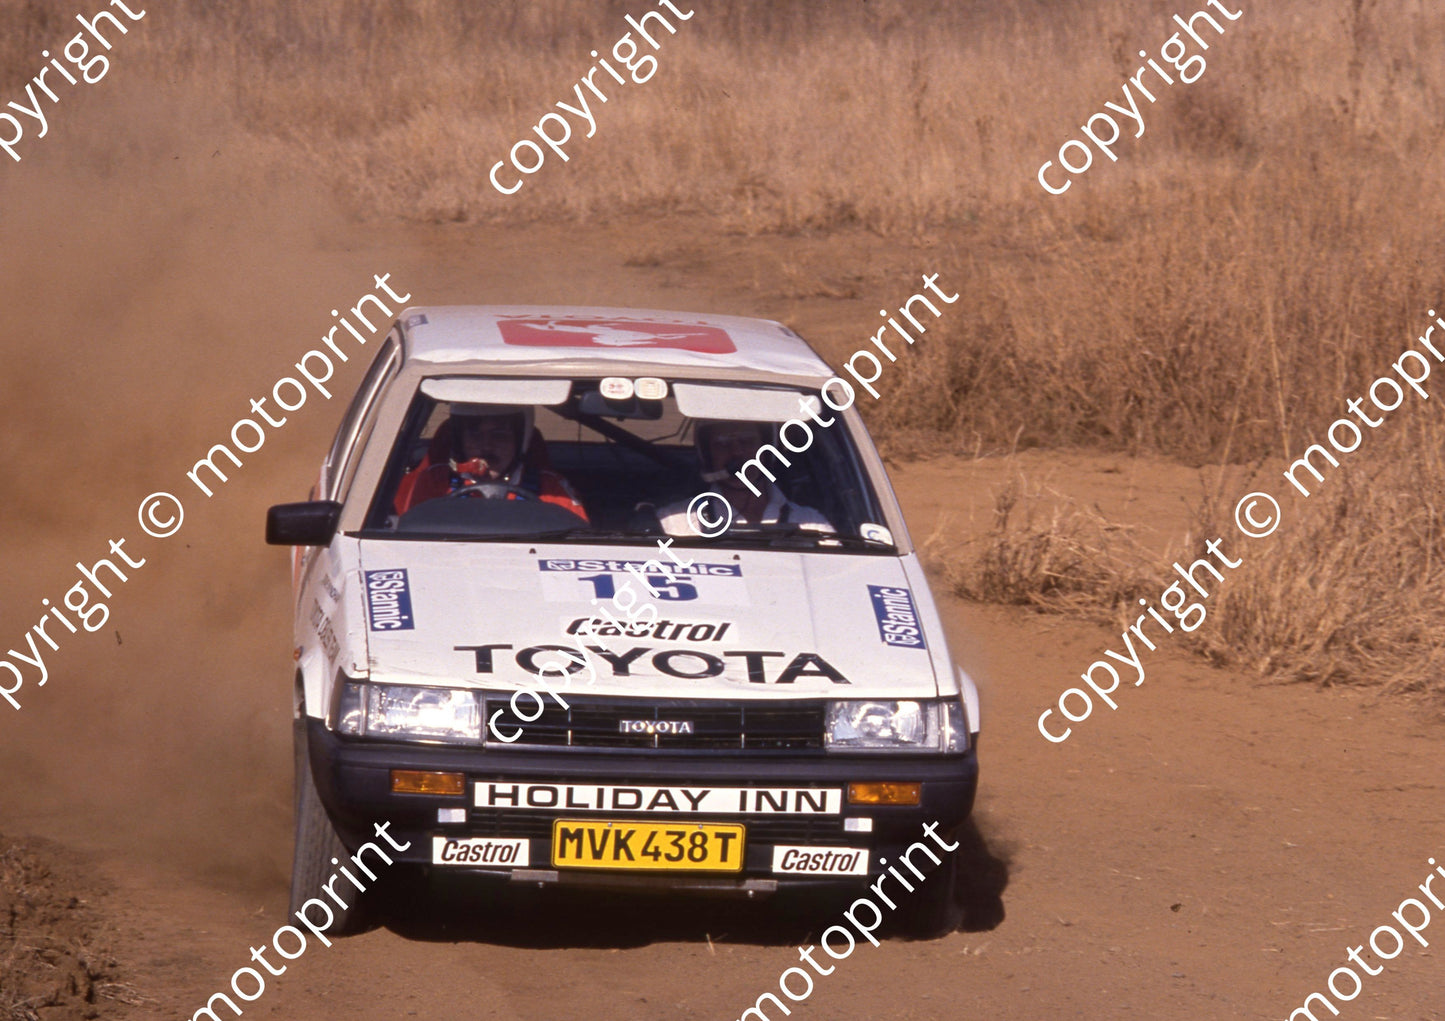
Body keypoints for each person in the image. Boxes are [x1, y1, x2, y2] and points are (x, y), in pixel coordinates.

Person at [393, 404, 588, 520]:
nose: (486, 445)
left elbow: (574, 544)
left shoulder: (550, 487)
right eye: (474, 434)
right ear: (460, 441)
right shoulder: (436, 482)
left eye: (499, 435)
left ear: (519, 441)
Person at [655, 420, 832, 536]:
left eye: (747, 442)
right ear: (708, 455)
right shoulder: (675, 522)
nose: (736, 452)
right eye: (722, 444)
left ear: (766, 450)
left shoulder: (810, 523)